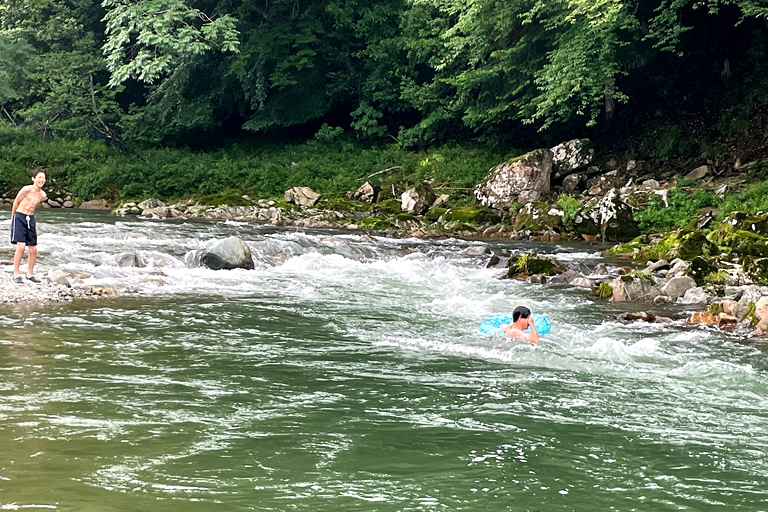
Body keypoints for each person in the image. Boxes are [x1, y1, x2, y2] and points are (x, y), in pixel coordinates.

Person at [10, 168, 47, 284]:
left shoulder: (42, 194)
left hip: (30, 218)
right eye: (39, 177)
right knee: (20, 246)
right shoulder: (26, 189)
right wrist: (13, 219)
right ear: (33, 179)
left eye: (43, 178)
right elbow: (16, 203)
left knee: (33, 249)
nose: (41, 180)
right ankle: (16, 274)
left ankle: (29, 274)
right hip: (19, 216)